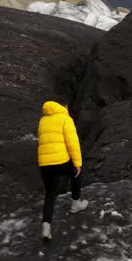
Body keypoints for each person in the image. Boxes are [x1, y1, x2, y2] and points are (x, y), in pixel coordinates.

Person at [37, 100, 88, 240]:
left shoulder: (43, 120)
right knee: (77, 174)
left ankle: (46, 227)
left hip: (44, 164)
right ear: (63, 106)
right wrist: (77, 163)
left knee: (50, 194)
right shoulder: (66, 119)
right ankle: (75, 203)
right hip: (61, 162)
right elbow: (72, 142)